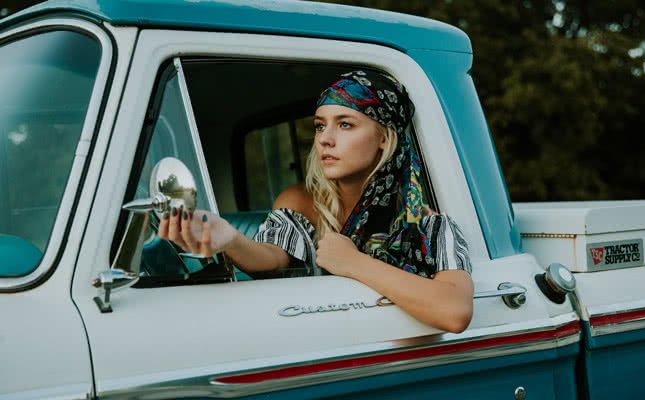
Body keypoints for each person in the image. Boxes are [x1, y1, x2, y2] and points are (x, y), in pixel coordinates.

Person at [158, 70, 474, 333]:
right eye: (321, 125)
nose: (324, 138)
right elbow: (271, 257)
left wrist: (353, 262)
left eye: (345, 124)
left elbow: (454, 312)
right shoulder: (300, 202)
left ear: (383, 137)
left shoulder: (429, 225)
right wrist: (228, 237)